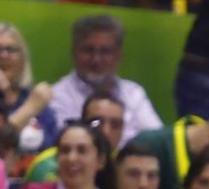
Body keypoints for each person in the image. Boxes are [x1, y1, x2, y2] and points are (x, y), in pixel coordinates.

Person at [48, 16, 166, 151]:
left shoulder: (134, 93)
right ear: (74, 52)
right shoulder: (57, 95)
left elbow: (158, 141)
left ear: (119, 55)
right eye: (88, 50)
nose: (96, 59)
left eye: (105, 51)